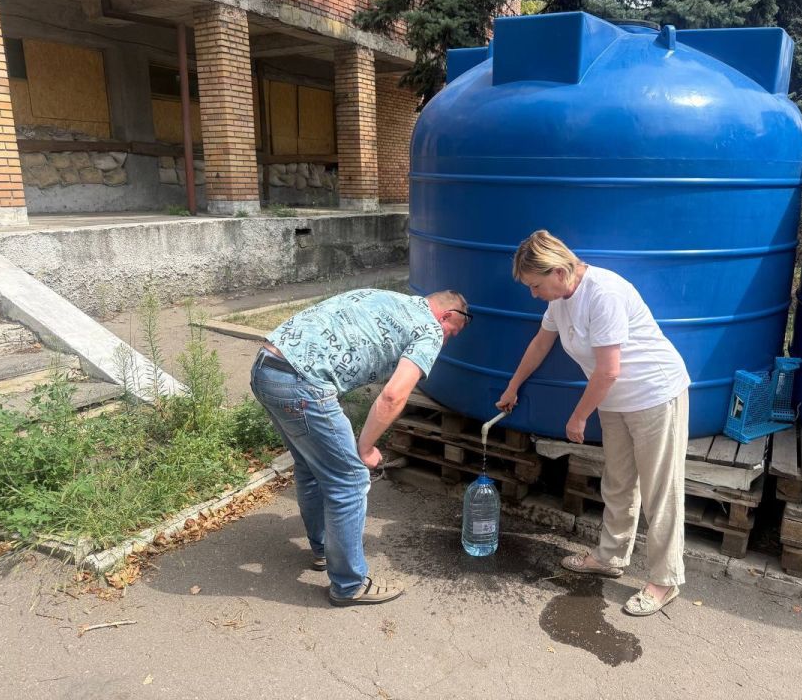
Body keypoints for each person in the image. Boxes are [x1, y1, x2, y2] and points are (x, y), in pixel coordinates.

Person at [496, 230, 690, 616]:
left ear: (556, 271)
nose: (534, 295)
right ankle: (611, 557)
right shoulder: (562, 298)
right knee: (618, 481)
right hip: (614, 400)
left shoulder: (603, 293)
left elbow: (609, 369)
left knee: (659, 490)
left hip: (654, 394)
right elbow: (541, 343)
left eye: (536, 286)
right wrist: (513, 386)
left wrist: (579, 415)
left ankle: (665, 580)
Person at [251, 287, 471, 606]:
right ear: (447, 316)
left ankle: (324, 551)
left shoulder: (386, 297)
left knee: (311, 468)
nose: (446, 340)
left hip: (266, 366)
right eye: (452, 332)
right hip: (302, 383)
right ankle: (349, 584)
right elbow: (394, 396)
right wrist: (366, 446)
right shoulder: (429, 329)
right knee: (352, 479)